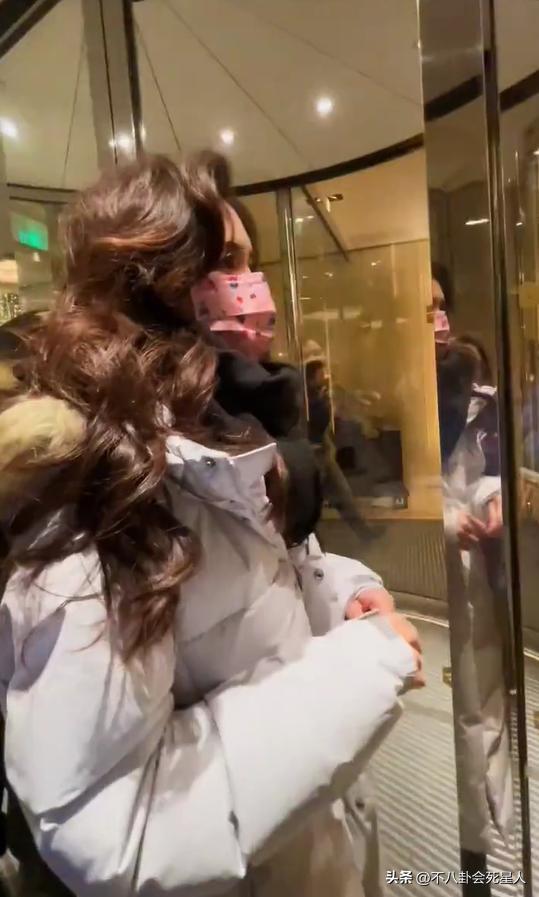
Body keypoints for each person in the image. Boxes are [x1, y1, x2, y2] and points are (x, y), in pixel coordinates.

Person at [0, 154, 423, 897]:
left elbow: (260, 587)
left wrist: (347, 594)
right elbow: (114, 823)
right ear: (152, 279)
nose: (250, 286)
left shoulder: (224, 438)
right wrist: (361, 667)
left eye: (251, 263)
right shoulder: (101, 484)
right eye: (224, 263)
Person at [432, 275, 511, 893]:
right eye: (421, 308)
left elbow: (485, 468)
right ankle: (458, 860)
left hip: (474, 573)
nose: (436, 319)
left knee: (482, 708)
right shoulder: (387, 395)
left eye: (439, 306)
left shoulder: (478, 396)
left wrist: (492, 499)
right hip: (404, 580)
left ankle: (480, 861)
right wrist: (441, 519)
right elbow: (385, 487)